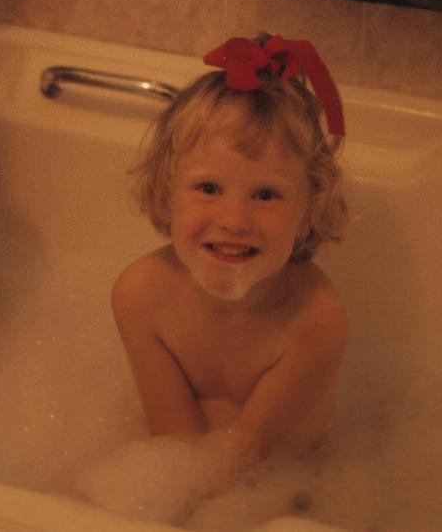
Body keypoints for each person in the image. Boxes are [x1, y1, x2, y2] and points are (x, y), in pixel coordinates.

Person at [100, 34, 348, 513]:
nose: (235, 220)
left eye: (266, 195)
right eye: (209, 187)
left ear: (309, 206)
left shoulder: (315, 322)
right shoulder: (141, 295)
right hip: (197, 476)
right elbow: (172, 443)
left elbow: (245, 456)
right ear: (164, 191)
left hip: (289, 492)